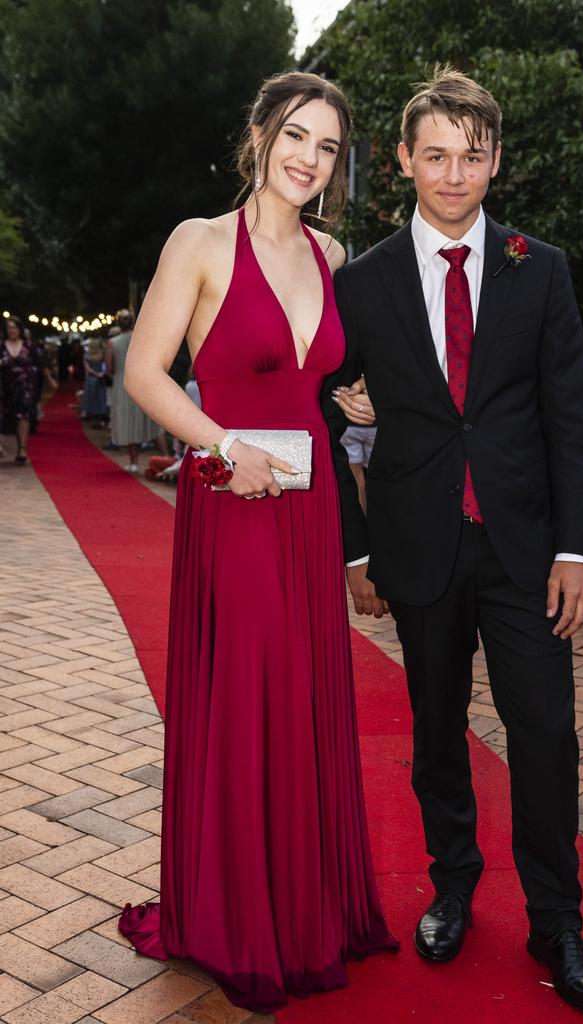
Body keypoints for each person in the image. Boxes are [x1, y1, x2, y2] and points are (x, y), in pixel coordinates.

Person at [325, 66, 583, 1014]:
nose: (454, 173)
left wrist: (578, 550)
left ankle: (557, 919)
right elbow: (329, 416)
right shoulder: (360, 283)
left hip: (529, 554)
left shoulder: (543, 266)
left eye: (472, 155)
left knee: (547, 737)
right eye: (435, 155)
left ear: (496, 158)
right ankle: (453, 886)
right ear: (404, 159)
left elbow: (570, 419)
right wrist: (356, 550)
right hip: (419, 548)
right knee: (437, 732)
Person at [116, 71, 397, 1013]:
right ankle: (238, 919)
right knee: (245, 698)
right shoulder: (198, 243)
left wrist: (348, 398)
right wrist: (221, 444)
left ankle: (304, 905)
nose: (309, 160)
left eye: (327, 147)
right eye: (296, 137)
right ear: (261, 133)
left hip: (309, 512)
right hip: (233, 505)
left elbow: (316, 387)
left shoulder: (332, 250)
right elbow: (149, 375)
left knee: (305, 699)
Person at [107, 309, 167, 472]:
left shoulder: (113, 342)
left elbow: (110, 367)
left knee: (128, 421)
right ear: (133, 321)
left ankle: (134, 463)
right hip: (143, 382)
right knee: (151, 422)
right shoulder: (143, 338)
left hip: (122, 383)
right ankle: (166, 458)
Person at [0, 315, 57, 463]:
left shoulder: (29, 345)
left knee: (23, 414)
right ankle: (19, 443)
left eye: (14, 327)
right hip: (7, 386)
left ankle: (23, 448)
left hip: (26, 385)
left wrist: (50, 380)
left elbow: (41, 363)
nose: (12, 330)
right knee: (12, 417)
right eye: (9, 328)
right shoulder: (1, 345)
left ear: (20, 329)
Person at [82, 339, 109, 426]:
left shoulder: (87, 355)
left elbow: (87, 369)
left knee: (92, 399)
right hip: (100, 379)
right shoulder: (102, 354)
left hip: (91, 379)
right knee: (100, 399)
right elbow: (105, 365)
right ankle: (100, 420)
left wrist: (95, 374)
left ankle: (94, 420)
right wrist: (101, 374)